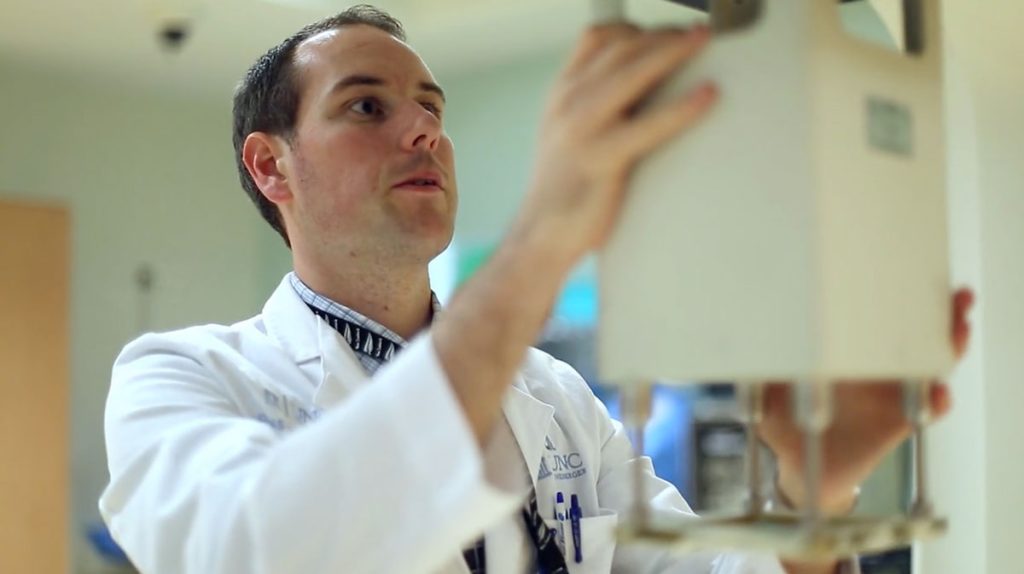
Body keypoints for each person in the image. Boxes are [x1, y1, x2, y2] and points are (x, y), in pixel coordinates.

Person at [99, 5, 974, 574]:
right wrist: (546, 236)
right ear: (271, 165)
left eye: (432, 109)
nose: (423, 132)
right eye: (367, 107)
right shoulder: (181, 378)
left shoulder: (553, 396)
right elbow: (254, 549)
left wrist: (813, 490)